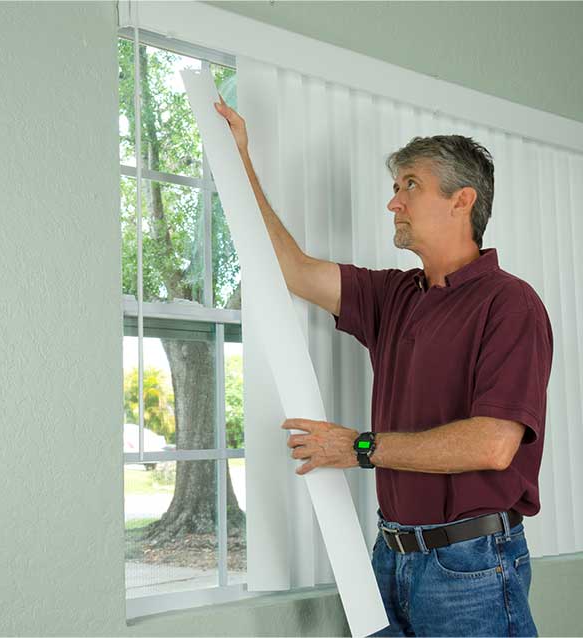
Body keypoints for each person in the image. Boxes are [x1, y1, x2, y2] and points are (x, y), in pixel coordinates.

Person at [214, 95, 553, 637]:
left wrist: (358, 447)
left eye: (409, 186)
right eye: (396, 188)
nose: (393, 202)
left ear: (461, 200)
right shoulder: (394, 295)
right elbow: (292, 269)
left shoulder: (509, 304)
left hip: (470, 566)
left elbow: (493, 444)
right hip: (390, 558)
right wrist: (238, 161)